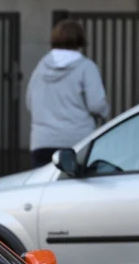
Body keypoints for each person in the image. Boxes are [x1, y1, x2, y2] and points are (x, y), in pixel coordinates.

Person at [26, 19, 109, 168]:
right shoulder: (86, 67)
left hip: (43, 142)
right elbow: (96, 105)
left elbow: (29, 102)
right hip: (77, 142)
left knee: (44, 190)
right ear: (80, 40)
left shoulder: (40, 68)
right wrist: (105, 112)